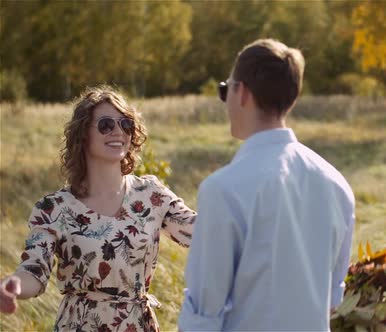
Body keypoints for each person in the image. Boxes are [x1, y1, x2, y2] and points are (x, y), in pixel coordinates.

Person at [178, 39, 355, 331]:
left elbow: (204, 313)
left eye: (225, 90)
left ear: (242, 92)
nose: (226, 101)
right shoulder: (338, 185)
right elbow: (333, 298)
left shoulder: (222, 190)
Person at [0, 86, 197, 332]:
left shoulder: (152, 195)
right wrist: (12, 285)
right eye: (105, 124)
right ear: (83, 135)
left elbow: (202, 233)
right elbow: (34, 271)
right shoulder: (53, 208)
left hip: (135, 326)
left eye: (125, 124)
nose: (118, 131)